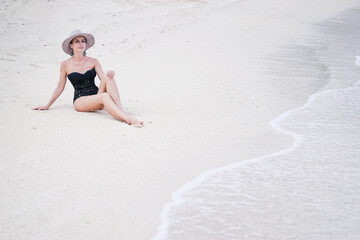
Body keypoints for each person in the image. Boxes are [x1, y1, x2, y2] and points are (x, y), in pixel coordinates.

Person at [33, 29, 144, 127]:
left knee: (108, 76)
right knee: (104, 96)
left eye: (83, 41)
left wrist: (111, 74)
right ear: (71, 45)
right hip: (81, 101)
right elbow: (60, 86)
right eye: (77, 41)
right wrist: (47, 105)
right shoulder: (65, 64)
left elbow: (104, 80)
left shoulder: (93, 61)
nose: (81, 44)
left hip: (96, 95)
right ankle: (128, 119)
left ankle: (120, 111)